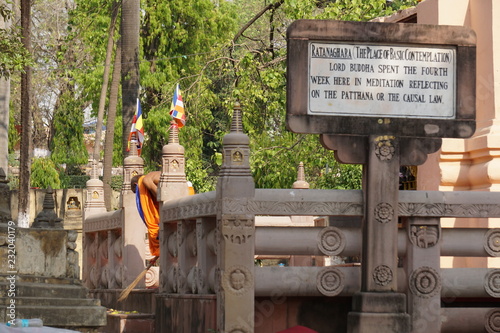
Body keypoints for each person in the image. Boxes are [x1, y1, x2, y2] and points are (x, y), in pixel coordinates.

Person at [131, 171, 161, 257]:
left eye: (136, 192)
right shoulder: (151, 178)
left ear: (137, 185)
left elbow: (163, 197)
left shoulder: (145, 180)